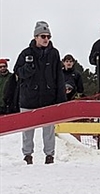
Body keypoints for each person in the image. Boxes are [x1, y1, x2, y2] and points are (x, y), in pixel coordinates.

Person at [13, 21, 66, 165]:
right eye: (43, 36)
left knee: (49, 130)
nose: (46, 39)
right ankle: (27, 156)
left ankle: (50, 156)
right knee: (27, 130)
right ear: (36, 36)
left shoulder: (54, 54)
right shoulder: (26, 53)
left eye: (48, 36)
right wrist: (28, 68)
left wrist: (61, 100)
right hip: (29, 98)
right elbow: (17, 72)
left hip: (48, 98)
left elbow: (59, 77)